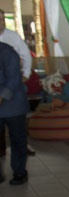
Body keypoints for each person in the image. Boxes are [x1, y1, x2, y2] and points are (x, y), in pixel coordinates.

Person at [0, 9, 34, 158]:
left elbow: (26, 55)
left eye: (2, 19)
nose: (0, 23)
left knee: (17, 135)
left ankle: (19, 171)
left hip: (12, 94)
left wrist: (26, 74)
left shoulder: (11, 37)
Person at [0, 41, 29, 185]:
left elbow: (13, 79)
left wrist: (2, 97)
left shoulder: (7, 52)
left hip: (13, 106)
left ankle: (19, 173)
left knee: (17, 140)